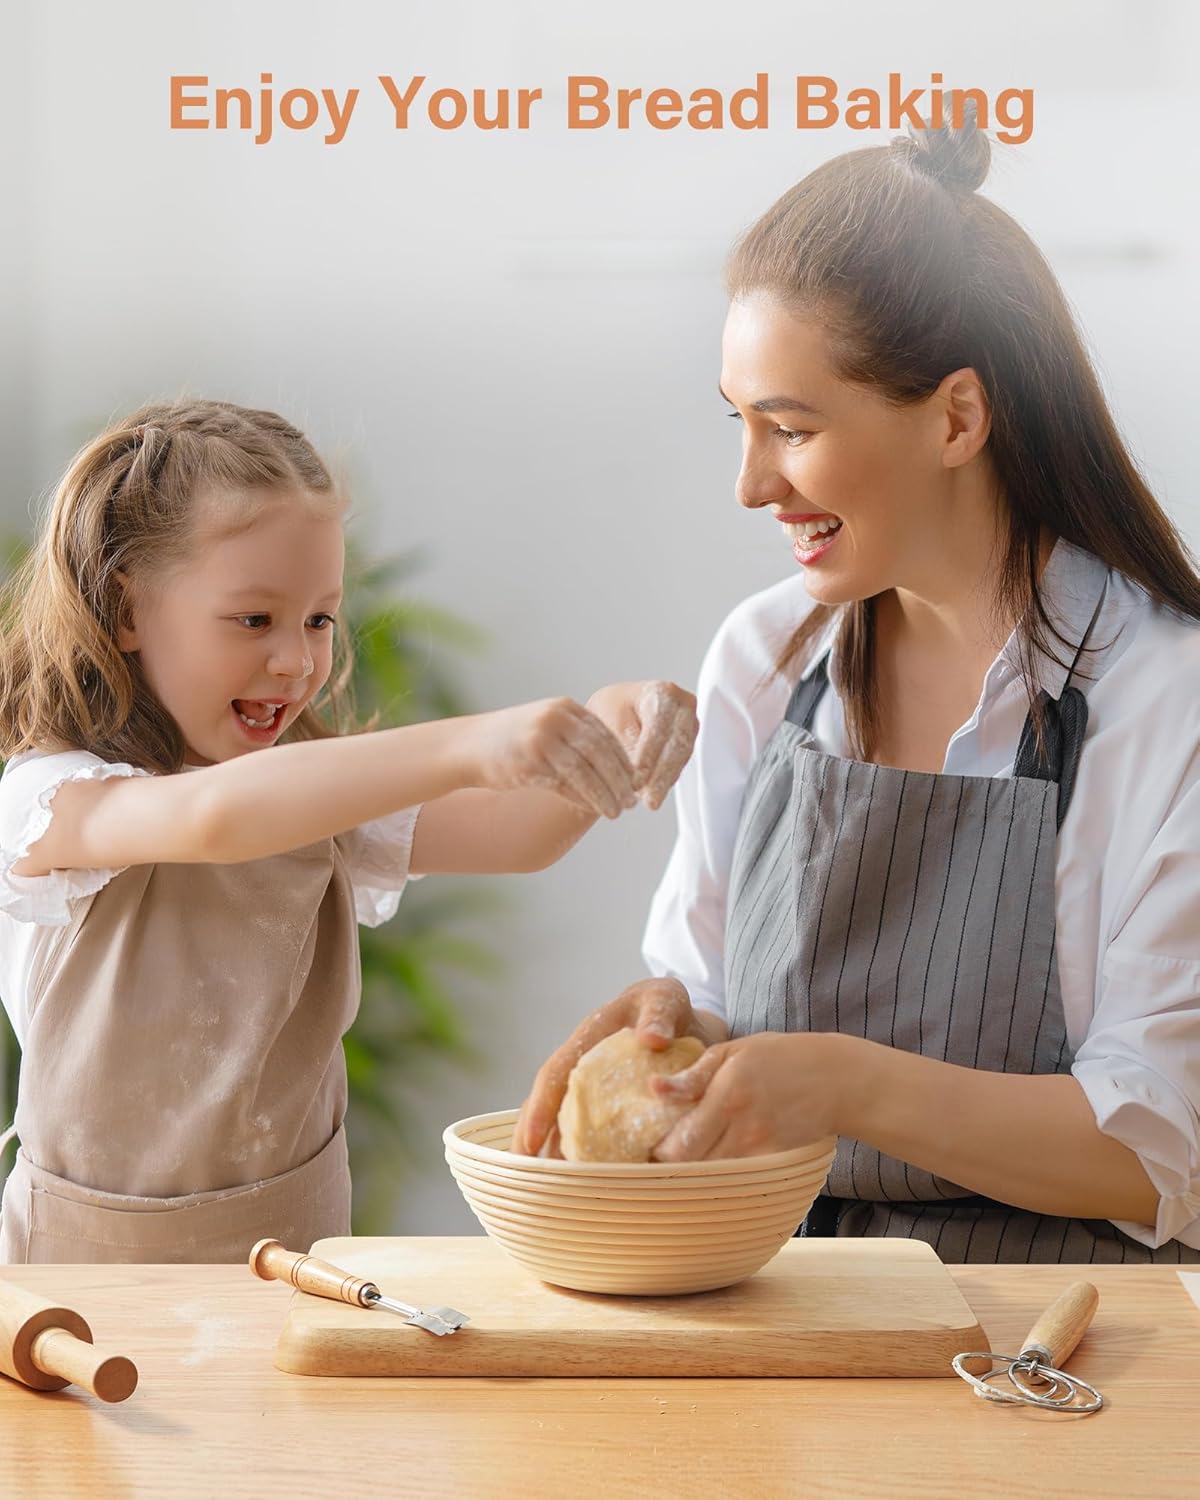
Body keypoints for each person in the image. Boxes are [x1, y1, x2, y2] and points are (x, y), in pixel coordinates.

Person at [513, 105, 1200, 1263]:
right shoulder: (764, 660)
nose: (749, 485)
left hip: (1076, 1352)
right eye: (740, 425)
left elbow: (1158, 1150)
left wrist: (843, 1084)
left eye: (787, 429)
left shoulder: (1163, 695)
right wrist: (668, 1032)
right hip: (786, 1307)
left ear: (956, 418)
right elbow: (710, 985)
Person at [0, 398, 698, 1263]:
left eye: (320, 619)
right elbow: (213, 817)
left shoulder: (318, 798)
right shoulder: (51, 795)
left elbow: (519, 835)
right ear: (127, 610)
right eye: (254, 619)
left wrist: (612, 724)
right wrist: (470, 741)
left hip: (294, 1248)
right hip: (88, 1268)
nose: (296, 660)